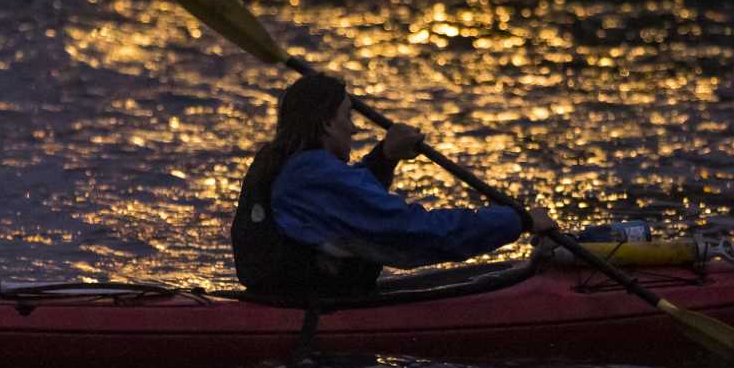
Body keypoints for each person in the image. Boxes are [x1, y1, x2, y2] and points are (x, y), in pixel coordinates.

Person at [232, 72, 551, 299]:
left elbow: (347, 208)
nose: (354, 129)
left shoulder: (294, 168)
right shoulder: (313, 175)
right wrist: (516, 220)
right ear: (328, 123)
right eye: (347, 116)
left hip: (297, 298)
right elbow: (414, 232)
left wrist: (385, 157)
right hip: (313, 331)